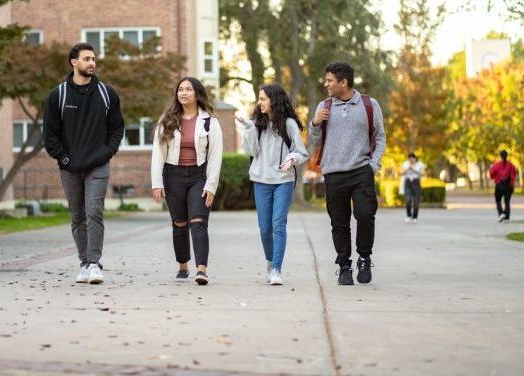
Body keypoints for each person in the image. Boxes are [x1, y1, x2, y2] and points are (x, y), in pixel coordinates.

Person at [43, 42, 125, 284]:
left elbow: (117, 128)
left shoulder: (107, 94)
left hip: (98, 165)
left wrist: (107, 153)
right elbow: (50, 135)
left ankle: (94, 263)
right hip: (69, 167)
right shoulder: (58, 95)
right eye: (87, 59)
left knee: (94, 211)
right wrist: (64, 158)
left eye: (93, 59)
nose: (92, 63)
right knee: (77, 216)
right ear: (74, 62)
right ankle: (84, 263)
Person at [309, 62, 386, 286]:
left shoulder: (369, 104)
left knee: (365, 215)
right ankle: (344, 266)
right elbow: (313, 142)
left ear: (344, 82)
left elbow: (380, 136)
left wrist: (373, 164)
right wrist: (315, 123)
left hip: (361, 170)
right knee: (339, 222)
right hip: (333, 173)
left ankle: (364, 257)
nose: (326, 84)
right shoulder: (323, 106)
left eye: (330, 80)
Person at [151, 77, 223, 285]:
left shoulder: (210, 121)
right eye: (180, 90)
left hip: (199, 177)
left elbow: (216, 155)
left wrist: (211, 185)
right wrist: (157, 183)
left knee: (198, 221)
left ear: (197, 93)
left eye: (188, 89)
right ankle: (183, 264)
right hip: (173, 176)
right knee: (179, 223)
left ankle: (202, 269)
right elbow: (158, 152)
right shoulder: (167, 119)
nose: (183, 93)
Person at [236, 84, 309, 285]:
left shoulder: (289, 124)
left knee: (278, 224)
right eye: (259, 99)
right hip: (261, 180)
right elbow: (252, 151)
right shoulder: (256, 124)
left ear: (274, 101)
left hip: (283, 181)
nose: (259, 103)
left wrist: (291, 159)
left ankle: (276, 269)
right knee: (264, 228)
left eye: (263, 99)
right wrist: (249, 129)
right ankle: (270, 262)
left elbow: (302, 152)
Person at [489, 150, 517, 223]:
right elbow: (513, 175)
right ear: (506, 155)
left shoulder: (497, 165)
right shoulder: (511, 165)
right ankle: (507, 217)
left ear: (500, 156)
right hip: (508, 186)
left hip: (499, 185)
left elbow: (491, 174)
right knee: (507, 202)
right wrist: (512, 184)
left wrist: (494, 175)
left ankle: (501, 214)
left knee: (498, 201)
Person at [400, 152, 425, 223]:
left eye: (412, 159)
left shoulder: (420, 164)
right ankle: (408, 216)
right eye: (409, 159)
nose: (410, 161)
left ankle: (415, 217)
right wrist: (408, 168)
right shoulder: (405, 164)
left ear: (415, 158)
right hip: (408, 183)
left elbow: (423, 174)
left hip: (416, 182)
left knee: (416, 201)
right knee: (408, 200)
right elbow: (401, 173)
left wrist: (414, 169)